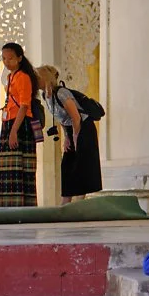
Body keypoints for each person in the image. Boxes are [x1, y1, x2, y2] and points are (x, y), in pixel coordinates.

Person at [36, 65, 103, 204]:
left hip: (83, 128)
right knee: (67, 164)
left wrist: (76, 136)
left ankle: (79, 202)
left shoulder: (61, 93)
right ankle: (65, 201)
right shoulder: (46, 95)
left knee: (81, 164)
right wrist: (67, 136)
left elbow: (76, 116)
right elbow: (60, 116)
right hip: (71, 129)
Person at [0, 43, 40, 207]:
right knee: (5, 168)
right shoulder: (10, 77)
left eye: (10, 58)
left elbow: (24, 105)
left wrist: (13, 131)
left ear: (19, 58)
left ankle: (21, 205)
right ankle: (5, 205)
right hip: (8, 123)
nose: (6, 61)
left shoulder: (23, 77)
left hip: (20, 125)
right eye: (4, 58)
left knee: (19, 167)